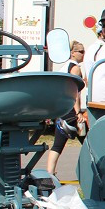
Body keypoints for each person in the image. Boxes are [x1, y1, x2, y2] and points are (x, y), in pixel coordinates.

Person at [45, 41, 87, 177]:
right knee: (88, 143)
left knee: (58, 144)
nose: (83, 54)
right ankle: (96, 172)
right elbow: (74, 91)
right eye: (80, 51)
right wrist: (78, 111)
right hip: (70, 110)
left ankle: (50, 173)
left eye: (83, 51)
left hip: (62, 109)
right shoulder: (75, 68)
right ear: (72, 53)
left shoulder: (64, 67)